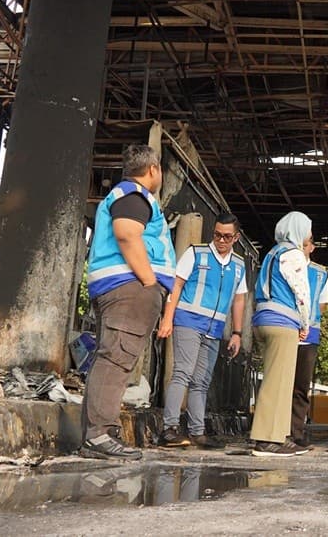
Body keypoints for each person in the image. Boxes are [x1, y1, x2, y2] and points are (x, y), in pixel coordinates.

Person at [80, 144, 176, 460]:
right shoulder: (135, 197)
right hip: (129, 286)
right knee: (116, 358)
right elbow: (126, 235)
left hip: (119, 286)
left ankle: (97, 434)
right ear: (153, 170)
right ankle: (100, 435)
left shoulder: (126, 196)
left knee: (111, 357)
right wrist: (149, 281)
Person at [156, 212, 247, 450]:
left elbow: (239, 299)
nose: (221, 240)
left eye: (227, 236)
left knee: (201, 381)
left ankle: (197, 432)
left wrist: (237, 332)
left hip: (214, 328)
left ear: (236, 238)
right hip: (188, 321)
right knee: (182, 373)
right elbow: (176, 285)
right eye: (217, 235)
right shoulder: (196, 253)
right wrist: (167, 318)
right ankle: (169, 429)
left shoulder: (239, 265)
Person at [249, 211, 313, 457]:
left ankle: (278, 436)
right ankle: (265, 439)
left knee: (280, 381)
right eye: (307, 229)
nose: (309, 234)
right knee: (278, 383)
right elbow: (301, 292)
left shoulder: (272, 253)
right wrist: (305, 322)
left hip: (264, 318)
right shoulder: (294, 254)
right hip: (282, 320)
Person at [290, 242, 328, 449]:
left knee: (301, 386)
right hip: (286, 328)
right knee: (281, 383)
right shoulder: (286, 263)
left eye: (306, 243)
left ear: (312, 248)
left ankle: (296, 431)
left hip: (309, 334)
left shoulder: (320, 273)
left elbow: (322, 305)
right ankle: (277, 431)